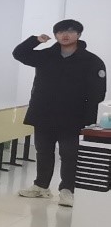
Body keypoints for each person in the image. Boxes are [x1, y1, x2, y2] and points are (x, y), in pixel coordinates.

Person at [15, 20, 107, 207]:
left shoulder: (91, 61)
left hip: (73, 116)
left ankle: (67, 190)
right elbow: (19, 53)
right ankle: (41, 186)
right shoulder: (46, 55)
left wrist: (89, 120)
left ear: (79, 35)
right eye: (61, 31)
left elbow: (97, 93)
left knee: (70, 154)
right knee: (43, 152)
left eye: (71, 31)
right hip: (43, 113)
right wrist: (36, 40)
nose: (65, 35)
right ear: (55, 35)